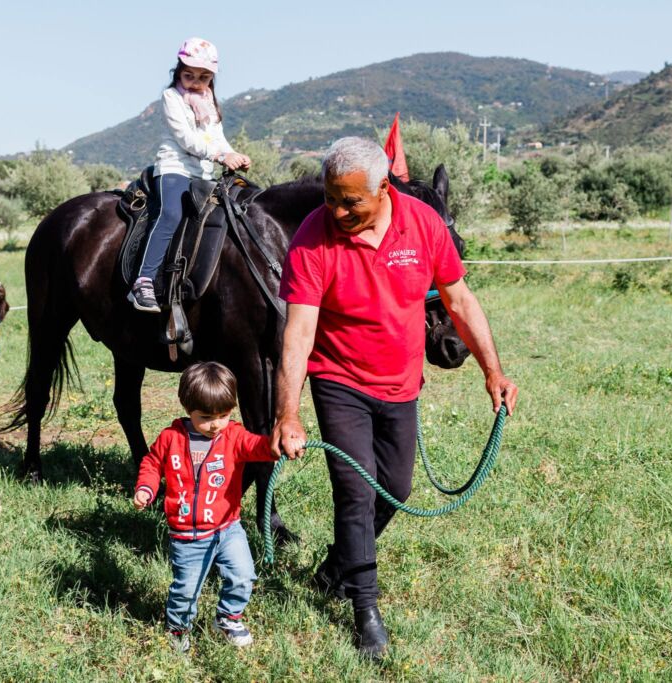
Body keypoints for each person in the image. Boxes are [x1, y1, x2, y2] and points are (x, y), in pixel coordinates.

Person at [271, 137, 519, 660]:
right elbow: (298, 332)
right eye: (330, 197)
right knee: (356, 493)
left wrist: (492, 371)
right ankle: (365, 610)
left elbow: (458, 298)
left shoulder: (424, 225)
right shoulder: (313, 238)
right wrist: (288, 413)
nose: (337, 211)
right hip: (339, 382)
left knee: (396, 490)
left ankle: (337, 566)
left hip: (402, 384)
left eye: (350, 201)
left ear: (383, 189)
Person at [133, 362, 279, 652]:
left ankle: (227, 618)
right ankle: (178, 630)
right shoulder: (170, 439)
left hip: (228, 527)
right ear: (188, 408)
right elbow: (152, 463)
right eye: (207, 417)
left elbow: (256, 446)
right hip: (188, 536)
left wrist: (277, 445)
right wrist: (146, 488)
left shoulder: (233, 436)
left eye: (224, 415)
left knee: (243, 575)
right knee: (186, 590)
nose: (216, 424)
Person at [128, 37, 251, 312]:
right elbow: (185, 138)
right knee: (170, 213)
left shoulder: (209, 102)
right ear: (178, 71)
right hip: (175, 169)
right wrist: (220, 156)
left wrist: (233, 155)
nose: (195, 82)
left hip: (203, 174)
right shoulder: (171, 97)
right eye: (189, 75)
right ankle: (144, 280)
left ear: (212, 79)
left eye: (203, 77)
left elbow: (217, 138)